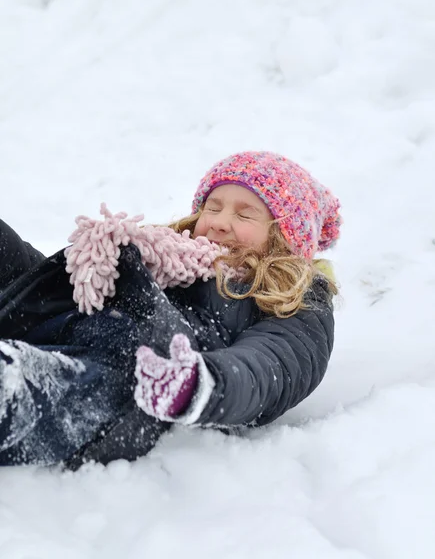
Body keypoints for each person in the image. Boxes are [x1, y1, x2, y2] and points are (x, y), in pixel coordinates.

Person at [0, 151, 341, 468]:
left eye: (244, 213)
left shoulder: (292, 298)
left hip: (135, 377)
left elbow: (270, 366)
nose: (220, 222)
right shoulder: (167, 254)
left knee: (52, 385)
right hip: (70, 320)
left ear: (285, 237)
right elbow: (61, 284)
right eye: (213, 207)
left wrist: (200, 382)